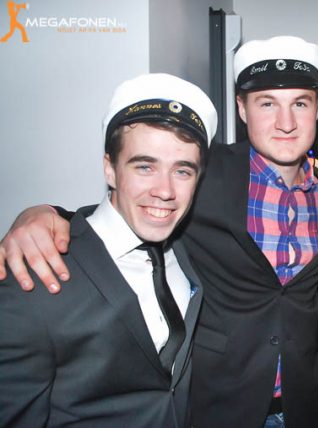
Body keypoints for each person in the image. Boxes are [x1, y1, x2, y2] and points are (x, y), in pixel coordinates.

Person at [0, 35, 318, 428]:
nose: (286, 122)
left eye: (300, 103)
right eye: (267, 103)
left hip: (304, 404)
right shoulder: (204, 172)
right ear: (242, 109)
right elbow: (131, 206)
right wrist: (42, 214)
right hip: (219, 405)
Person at [0, 73, 217, 426]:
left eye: (182, 171)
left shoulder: (183, 249)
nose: (165, 191)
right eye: (145, 166)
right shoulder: (33, 275)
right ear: (110, 169)